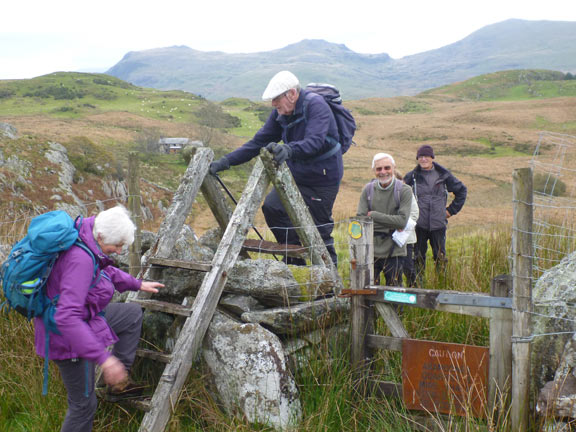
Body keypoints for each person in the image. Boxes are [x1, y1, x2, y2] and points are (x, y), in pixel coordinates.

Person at [34, 205, 164, 432]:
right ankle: (114, 372)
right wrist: (105, 359)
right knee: (83, 406)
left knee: (131, 314)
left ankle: (119, 384)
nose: (120, 251)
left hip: (84, 319)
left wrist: (137, 283)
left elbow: (105, 270)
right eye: (117, 245)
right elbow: (66, 317)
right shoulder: (80, 259)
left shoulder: (86, 235)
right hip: (65, 337)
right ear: (102, 236)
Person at [209, 71, 343, 266]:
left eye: (276, 98)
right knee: (273, 208)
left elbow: (315, 142)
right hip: (297, 174)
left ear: (292, 94)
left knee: (320, 229)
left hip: (322, 177)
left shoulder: (316, 106)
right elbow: (258, 142)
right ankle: (296, 260)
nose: (273, 104)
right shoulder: (281, 114)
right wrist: (226, 162)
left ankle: (330, 283)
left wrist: (289, 149)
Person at [403, 145, 467, 280]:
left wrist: (450, 211)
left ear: (432, 158)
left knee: (440, 257)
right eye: (420, 156)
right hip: (418, 225)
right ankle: (419, 286)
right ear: (417, 159)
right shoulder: (411, 177)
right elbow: (400, 195)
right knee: (418, 257)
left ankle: (441, 284)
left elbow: (461, 191)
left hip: (438, 224)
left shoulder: (444, 175)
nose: (423, 159)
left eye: (426, 156)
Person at [357, 153, 413, 286]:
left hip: (395, 251)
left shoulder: (405, 190)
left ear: (394, 168)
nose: (383, 172)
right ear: (374, 171)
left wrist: (373, 216)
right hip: (370, 250)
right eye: (379, 169)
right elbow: (360, 220)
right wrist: (391, 223)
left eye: (387, 168)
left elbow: (402, 221)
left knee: (394, 292)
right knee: (369, 290)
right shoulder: (368, 190)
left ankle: (394, 308)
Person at [394, 170, 420, 287]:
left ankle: (414, 291)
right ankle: (397, 292)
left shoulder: (407, 193)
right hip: (389, 239)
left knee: (408, 267)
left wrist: (402, 225)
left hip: (406, 238)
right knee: (394, 269)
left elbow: (414, 213)